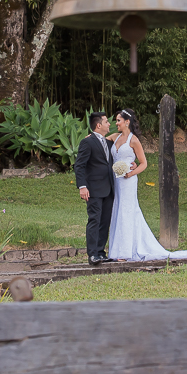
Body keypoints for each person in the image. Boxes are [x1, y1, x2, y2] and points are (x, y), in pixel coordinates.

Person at [107, 109, 187, 262]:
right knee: (118, 210)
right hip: (116, 180)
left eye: (118, 120)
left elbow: (144, 163)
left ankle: (125, 252)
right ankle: (117, 250)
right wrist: (91, 136)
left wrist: (131, 173)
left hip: (128, 181)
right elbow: (100, 139)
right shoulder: (115, 137)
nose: (116, 123)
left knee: (127, 211)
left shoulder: (133, 140)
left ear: (127, 122)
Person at [74, 111, 116, 265]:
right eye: (106, 122)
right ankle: (92, 254)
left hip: (109, 188)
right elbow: (79, 165)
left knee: (105, 221)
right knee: (94, 220)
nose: (109, 124)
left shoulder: (109, 142)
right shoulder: (88, 142)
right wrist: (82, 186)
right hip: (94, 189)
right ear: (98, 125)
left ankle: (100, 252)